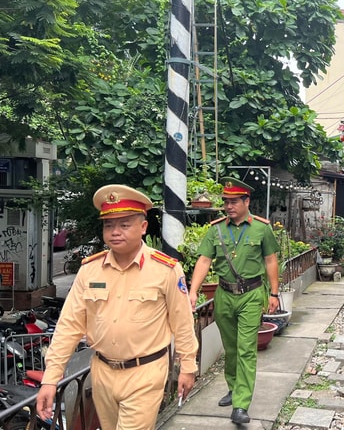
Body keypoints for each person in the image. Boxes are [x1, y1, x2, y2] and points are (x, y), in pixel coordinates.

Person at [37, 184, 198, 429]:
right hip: (102, 372)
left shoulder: (165, 269)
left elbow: (182, 321)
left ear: (143, 227)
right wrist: (50, 379)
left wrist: (188, 365)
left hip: (146, 372)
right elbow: (69, 325)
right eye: (109, 225)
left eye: (124, 224)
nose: (115, 232)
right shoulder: (90, 270)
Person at [188, 177, 280, 425]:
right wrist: (193, 291)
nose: (229, 206)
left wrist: (273, 293)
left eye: (234, 202)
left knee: (246, 349)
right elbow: (204, 261)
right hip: (224, 295)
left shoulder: (261, 229)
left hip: (251, 295)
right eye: (226, 202)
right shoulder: (215, 229)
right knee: (230, 348)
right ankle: (233, 387)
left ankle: (241, 404)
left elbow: (271, 260)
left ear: (246, 201)